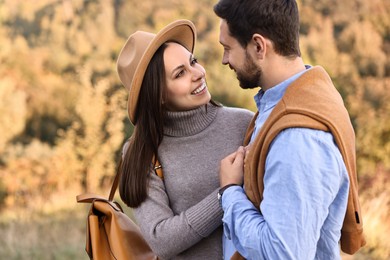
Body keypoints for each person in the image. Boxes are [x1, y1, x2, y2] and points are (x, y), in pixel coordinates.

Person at [213, 0, 366, 259]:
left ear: (259, 46)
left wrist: (229, 192)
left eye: (228, 48)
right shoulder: (300, 96)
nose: (224, 60)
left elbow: (281, 253)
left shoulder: (297, 139)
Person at [116, 19, 254, 259]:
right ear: (158, 94)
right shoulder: (141, 152)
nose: (198, 74)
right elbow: (161, 240)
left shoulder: (244, 123)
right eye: (180, 74)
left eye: (193, 62)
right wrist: (226, 193)